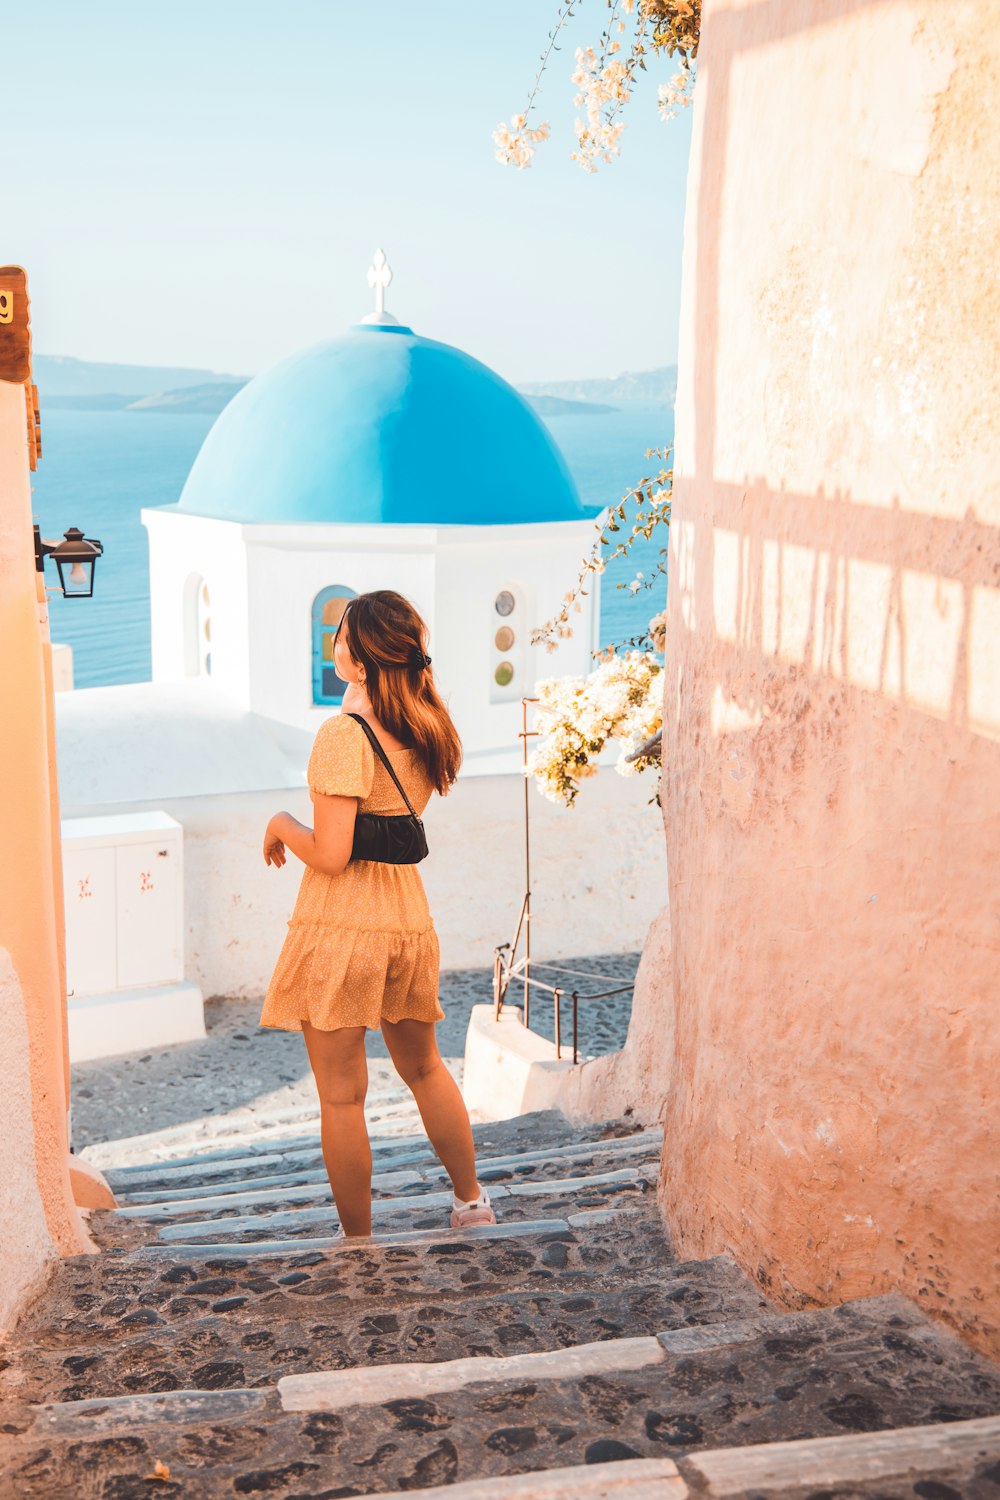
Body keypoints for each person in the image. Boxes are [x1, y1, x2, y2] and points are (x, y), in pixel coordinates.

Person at [259, 589, 496, 1239]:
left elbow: (332, 855)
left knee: (342, 1097)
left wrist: (282, 823)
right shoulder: (426, 725)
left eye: (340, 637)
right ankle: (472, 1204)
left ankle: (360, 1245)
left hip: (342, 925)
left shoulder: (343, 736)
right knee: (426, 1069)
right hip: (406, 918)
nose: (332, 645)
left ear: (362, 662)